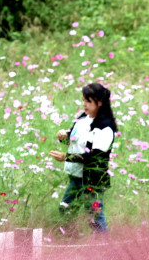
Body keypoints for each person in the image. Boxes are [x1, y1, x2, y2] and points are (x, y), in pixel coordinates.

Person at [50, 82, 118, 233]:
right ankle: (71, 240)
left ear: (99, 103)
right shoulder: (83, 118)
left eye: (88, 101)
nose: (84, 104)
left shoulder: (105, 127)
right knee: (66, 210)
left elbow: (94, 157)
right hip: (76, 176)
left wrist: (66, 157)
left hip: (92, 180)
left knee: (94, 216)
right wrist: (64, 136)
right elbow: (73, 139)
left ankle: (103, 245)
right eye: (84, 100)